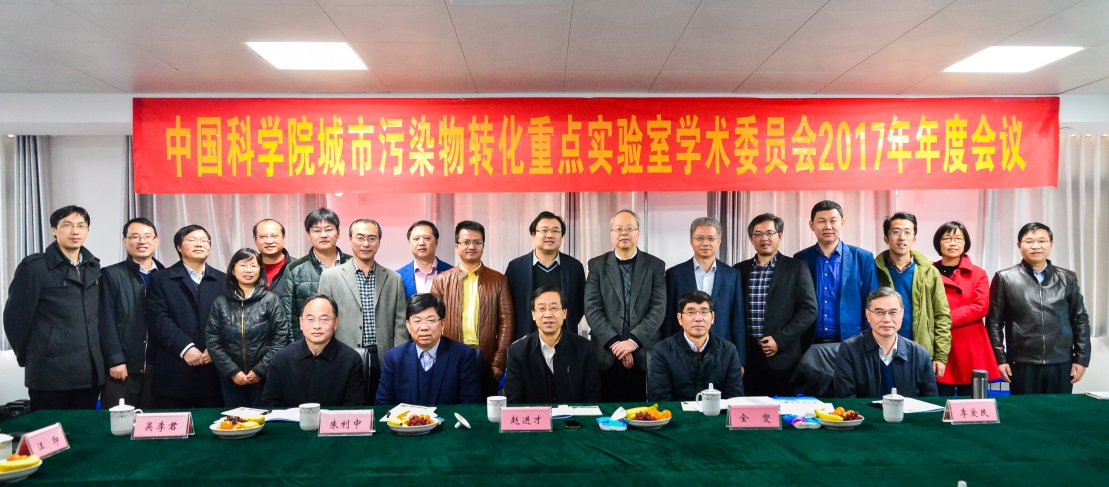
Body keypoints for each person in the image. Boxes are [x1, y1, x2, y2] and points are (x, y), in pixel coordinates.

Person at [4, 205, 104, 411]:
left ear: (87, 230)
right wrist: (29, 356)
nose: (75, 231)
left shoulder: (93, 266)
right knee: (49, 429)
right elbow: (15, 319)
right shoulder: (34, 267)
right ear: (54, 230)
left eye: (81, 226)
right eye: (67, 225)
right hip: (50, 371)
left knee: (84, 429)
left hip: (89, 372)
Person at [987, 222, 1090, 394]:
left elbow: (1080, 319)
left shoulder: (1068, 278)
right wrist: (999, 359)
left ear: (1051, 244)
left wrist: (1081, 359)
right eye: (1029, 241)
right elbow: (994, 322)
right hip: (1021, 363)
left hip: (1061, 362)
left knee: (1059, 409)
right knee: (1025, 410)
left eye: (1042, 241)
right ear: (1019, 245)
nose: (1036, 246)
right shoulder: (1005, 278)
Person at [792, 200, 880, 396]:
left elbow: (872, 303)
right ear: (811, 225)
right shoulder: (801, 259)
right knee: (813, 400)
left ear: (842, 223)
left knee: (847, 398)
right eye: (821, 221)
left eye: (833, 220)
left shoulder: (862, 258)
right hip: (810, 345)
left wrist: (868, 343)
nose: (828, 226)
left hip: (850, 343)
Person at [317, 218, 407, 401]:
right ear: (350, 240)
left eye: (372, 238)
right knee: (348, 406)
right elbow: (324, 319)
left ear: (379, 242)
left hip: (383, 357)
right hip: (344, 356)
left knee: (383, 405)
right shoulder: (330, 277)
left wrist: (398, 359)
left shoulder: (393, 278)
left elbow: (400, 323)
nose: (366, 243)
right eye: (360, 237)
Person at [584, 209, 666, 402]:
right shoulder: (597, 265)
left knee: (643, 412)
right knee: (606, 411)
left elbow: (658, 308)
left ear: (638, 233)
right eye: (618, 229)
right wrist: (616, 344)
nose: (624, 233)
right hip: (606, 353)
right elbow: (592, 308)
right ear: (611, 234)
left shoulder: (655, 266)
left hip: (643, 352)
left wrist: (633, 342)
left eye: (629, 228)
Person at [734, 213, 817, 397]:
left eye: (769, 233)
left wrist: (780, 339)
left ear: (780, 235)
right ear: (751, 238)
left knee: (783, 408)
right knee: (748, 407)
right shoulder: (739, 270)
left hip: (783, 355)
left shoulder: (796, 267)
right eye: (758, 234)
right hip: (747, 355)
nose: (764, 238)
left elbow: (809, 310)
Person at [145, 225, 227, 408]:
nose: (199, 244)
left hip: (213, 368)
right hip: (175, 366)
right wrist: (185, 348)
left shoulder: (223, 279)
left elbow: (229, 319)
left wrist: (214, 349)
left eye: (204, 240)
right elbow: (159, 319)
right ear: (179, 247)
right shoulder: (161, 279)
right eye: (192, 240)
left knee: (212, 421)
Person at [430, 221, 514, 392]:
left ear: (483, 246)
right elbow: (433, 321)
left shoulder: (499, 280)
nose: (472, 247)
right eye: (466, 242)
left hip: (485, 357)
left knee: (482, 403)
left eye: (477, 242)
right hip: (449, 356)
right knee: (449, 400)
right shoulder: (441, 280)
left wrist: (499, 361)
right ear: (456, 246)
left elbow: (507, 322)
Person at [204, 248, 290, 408]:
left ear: (260, 270)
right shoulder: (220, 302)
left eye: (253, 266)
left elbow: (281, 337)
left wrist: (260, 370)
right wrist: (232, 371)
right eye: (243, 265)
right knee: (235, 419)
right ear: (233, 270)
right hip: (231, 379)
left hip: (265, 377)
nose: (248, 270)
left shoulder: (271, 300)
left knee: (264, 418)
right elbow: (213, 340)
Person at [873, 212, 951, 378]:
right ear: (886, 238)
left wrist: (940, 356)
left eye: (907, 232)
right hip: (880, 349)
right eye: (895, 232)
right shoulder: (874, 270)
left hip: (919, 349)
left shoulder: (930, 272)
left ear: (914, 239)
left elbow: (942, 316)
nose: (902, 237)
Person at [99, 217, 165, 409]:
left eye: (147, 236)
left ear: (156, 240)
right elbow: (105, 320)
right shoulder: (111, 274)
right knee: (118, 422)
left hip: (159, 367)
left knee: (153, 423)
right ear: (124, 241)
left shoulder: (166, 275)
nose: (142, 241)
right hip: (124, 367)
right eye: (134, 236)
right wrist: (115, 359)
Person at [260, 294, 367, 407]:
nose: (317, 326)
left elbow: (354, 408)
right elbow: (270, 405)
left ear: (336, 323)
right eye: (310, 319)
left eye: (324, 319)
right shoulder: (281, 359)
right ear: (301, 323)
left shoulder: (351, 360)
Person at [376, 293, 483, 406]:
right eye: (417, 321)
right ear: (408, 325)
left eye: (431, 320)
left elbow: (470, 405)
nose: (424, 327)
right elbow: (383, 404)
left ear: (442, 324)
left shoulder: (464, 355)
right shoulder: (394, 358)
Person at [932, 222, 1000, 396]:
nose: (953, 243)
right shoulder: (928, 272)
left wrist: (944, 319)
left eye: (958, 239)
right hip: (939, 342)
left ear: (965, 243)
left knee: (972, 402)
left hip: (969, 344)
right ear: (939, 243)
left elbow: (980, 307)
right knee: (939, 401)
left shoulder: (978, 273)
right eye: (947, 238)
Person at [834, 287, 938, 398]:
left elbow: (930, 401)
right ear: (868, 315)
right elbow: (845, 398)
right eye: (879, 312)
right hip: (863, 410)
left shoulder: (919, 354)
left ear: (902, 314)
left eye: (893, 312)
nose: (887, 319)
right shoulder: (849, 350)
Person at [504, 287, 602, 404]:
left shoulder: (584, 348)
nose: (548, 314)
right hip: (535, 415)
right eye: (542, 309)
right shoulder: (517, 352)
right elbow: (514, 400)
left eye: (554, 308)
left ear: (564, 313)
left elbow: (592, 396)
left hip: (572, 415)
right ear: (533, 314)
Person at [647, 291, 744, 401]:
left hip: (717, 412)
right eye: (691, 312)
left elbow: (735, 399)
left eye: (704, 312)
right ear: (679, 318)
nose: (698, 318)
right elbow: (660, 398)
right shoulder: (662, 351)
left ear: (712, 317)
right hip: (677, 412)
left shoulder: (729, 351)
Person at [663, 217, 744, 347]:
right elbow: (669, 319)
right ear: (691, 241)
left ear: (719, 241)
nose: (705, 243)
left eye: (711, 238)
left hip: (722, 349)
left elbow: (738, 320)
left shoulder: (732, 275)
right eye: (700, 238)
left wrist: (739, 356)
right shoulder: (674, 274)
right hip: (683, 348)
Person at [505, 211, 586, 340]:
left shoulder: (574, 267)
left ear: (562, 235)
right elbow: (507, 306)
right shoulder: (516, 267)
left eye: (555, 231)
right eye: (544, 230)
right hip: (525, 340)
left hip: (565, 340)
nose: (550, 235)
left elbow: (581, 304)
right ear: (533, 234)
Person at [282, 208, 350, 340]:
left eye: (328, 229)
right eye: (317, 231)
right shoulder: (294, 269)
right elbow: (289, 317)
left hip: (347, 343)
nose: (323, 235)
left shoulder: (353, 265)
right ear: (308, 235)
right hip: (310, 344)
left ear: (338, 232)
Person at [397, 220, 453, 299]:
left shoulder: (452, 273)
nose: (421, 243)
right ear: (409, 243)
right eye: (416, 239)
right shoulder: (398, 276)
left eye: (426, 238)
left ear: (436, 242)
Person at [254, 219, 295, 297]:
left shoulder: (298, 268)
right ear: (255, 239)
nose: (269, 241)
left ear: (284, 238)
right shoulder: (248, 270)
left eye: (274, 236)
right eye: (263, 237)